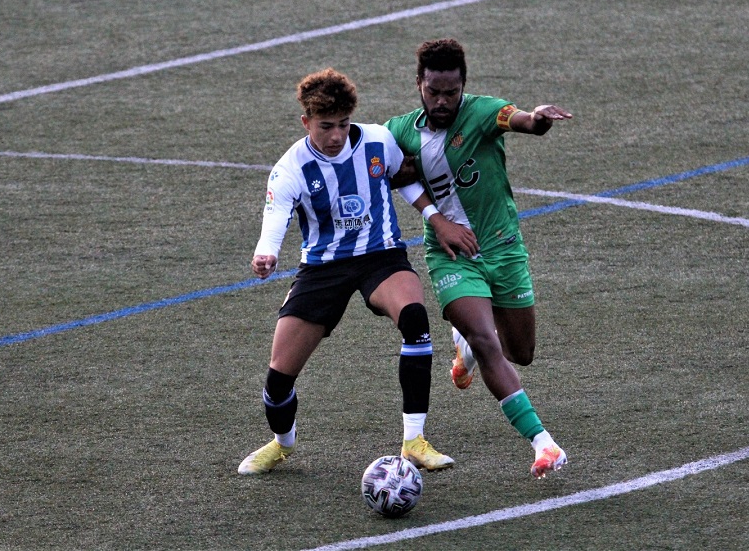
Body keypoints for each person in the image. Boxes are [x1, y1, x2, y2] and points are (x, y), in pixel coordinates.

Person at [238, 67, 477, 476]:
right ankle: (282, 444)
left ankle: (413, 442)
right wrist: (266, 253)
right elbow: (274, 216)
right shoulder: (290, 168)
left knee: (415, 318)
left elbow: (404, 177)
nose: (336, 135)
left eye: (343, 124)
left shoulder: (377, 139)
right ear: (306, 122)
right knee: (278, 381)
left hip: (380, 256)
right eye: (325, 126)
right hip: (322, 269)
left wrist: (436, 219)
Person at [384, 39, 573, 479]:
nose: (442, 101)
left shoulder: (485, 111)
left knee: (520, 352)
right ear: (419, 85)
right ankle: (544, 445)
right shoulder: (399, 131)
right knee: (491, 344)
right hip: (451, 255)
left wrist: (538, 120)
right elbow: (385, 170)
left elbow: (521, 120)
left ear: (463, 86)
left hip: (503, 248)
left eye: (451, 92)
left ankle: (466, 342)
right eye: (433, 91)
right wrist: (433, 217)